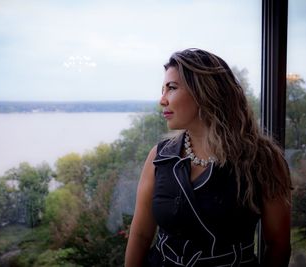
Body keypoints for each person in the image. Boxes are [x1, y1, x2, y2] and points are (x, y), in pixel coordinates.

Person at [125, 48, 292, 267]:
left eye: (172, 88)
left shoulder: (262, 160)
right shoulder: (160, 157)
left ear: (205, 92)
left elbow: (278, 245)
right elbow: (140, 236)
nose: (162, 100)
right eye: (163, 90)